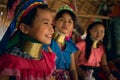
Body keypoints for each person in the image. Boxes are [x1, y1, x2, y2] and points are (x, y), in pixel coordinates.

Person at [0, 0, 56, 80]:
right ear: (25, 28)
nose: (52, 29)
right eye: (46, 23)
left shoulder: (47, 59)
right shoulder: (11, 62)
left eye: (52, 24)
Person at [43, 4, 78, 80]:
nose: (66, 24)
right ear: (54, 22)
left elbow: (73, 70)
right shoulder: (46, 41)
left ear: (73, 26)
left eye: (70, 22)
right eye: (62, 19)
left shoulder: (70, 45)